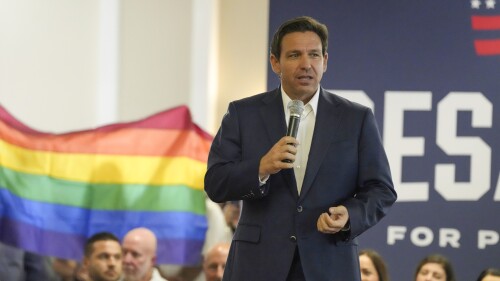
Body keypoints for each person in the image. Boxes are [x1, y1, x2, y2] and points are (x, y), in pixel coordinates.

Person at [204, 15, 397, 281]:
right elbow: (215, 182)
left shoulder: (355, 118)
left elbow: (381, 189)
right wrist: (260, 168)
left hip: (328, 263)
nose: (306, 64)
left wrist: (349, 215)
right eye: (294, 55)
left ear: (325, 61)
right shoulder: (243, 114)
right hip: (258, 265)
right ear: (275, 62)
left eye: (314, 55)